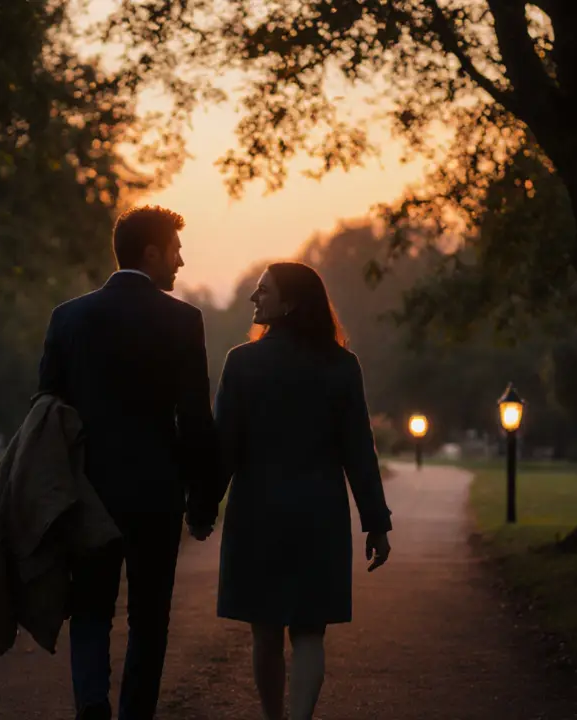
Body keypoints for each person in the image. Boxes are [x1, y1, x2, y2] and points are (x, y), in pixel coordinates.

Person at [37, 205, 221, 720]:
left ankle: (92, 706)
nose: (181, 262)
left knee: (91, 608)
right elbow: (195, 420)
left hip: (87, 492)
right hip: (155, 494)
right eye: (176, 251)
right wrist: (201, 501)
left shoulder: (68, 317)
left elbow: (48, 407)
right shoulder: (183, 320)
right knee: (149, 618)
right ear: (152, 252)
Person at [213, 261, 393, 720]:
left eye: (263, 290)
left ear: (289, 302)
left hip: (258, 514)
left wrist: (200, 507)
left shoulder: (242, 362)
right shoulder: (342, 366)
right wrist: (376, 522)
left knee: (266, 632)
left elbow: (225, 448)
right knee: (310, 632)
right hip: (319, 516)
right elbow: (359, 450)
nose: (254, 298)